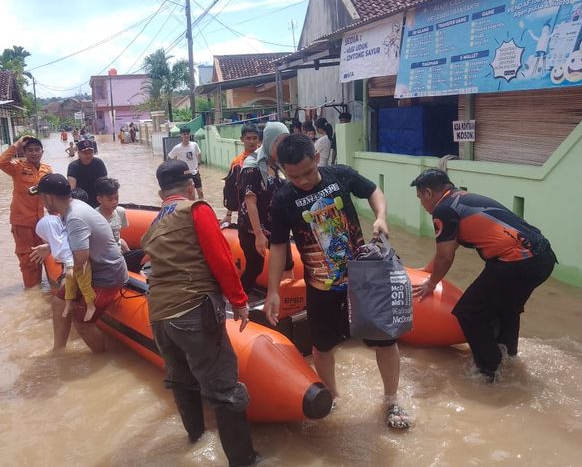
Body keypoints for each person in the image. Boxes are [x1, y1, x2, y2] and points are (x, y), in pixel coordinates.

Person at [264, 134, 410, 429]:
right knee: (323, 345)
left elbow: (373, 191)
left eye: (307, 172)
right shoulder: (282, 199)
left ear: (317, 158)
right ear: (283, 170)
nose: (303, 181)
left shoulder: (339, 175)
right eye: (294, 176)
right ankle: (332, 396)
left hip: (364, 280)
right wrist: (272, 291)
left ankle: (391, 401)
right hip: (321, 287)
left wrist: (381, 216)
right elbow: (279, 246)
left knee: (385, 340)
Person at [141, 160, 258, 466]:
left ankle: (196, 440)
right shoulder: (196, 210)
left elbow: (149, 267)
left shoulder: (156, 223)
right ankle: (245, 460)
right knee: (224, 388)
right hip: (192, 310)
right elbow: (220, 258)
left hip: (160, 317)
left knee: (181, 381)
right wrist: (239, 301)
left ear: (160, 192)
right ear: (191, 185)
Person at [410, 169, 556, 381]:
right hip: (542, 258)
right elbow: (450, 247)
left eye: (420, 197)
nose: (422, 204)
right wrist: (427, 270)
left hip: (516, 260)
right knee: (508, 309)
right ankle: (509, 361)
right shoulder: (461, 200)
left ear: (428, 193)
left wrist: (431, 283)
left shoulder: (443, 210)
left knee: (468, 312)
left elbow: (445, 257)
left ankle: (488, 372)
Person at [30, 174, 128, 353]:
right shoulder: (73, 206)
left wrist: (66, 273)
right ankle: (58, 350)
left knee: (82, 322)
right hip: (92, 268)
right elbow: (75, 244)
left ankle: (101, 357)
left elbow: (80, 259)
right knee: (58, 303)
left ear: (49, 198)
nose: (40, 201)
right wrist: (50, 247)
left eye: (41, 197)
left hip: (106, 274)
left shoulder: (75, 216)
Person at [237, 122, 294, 294]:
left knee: (288, 264)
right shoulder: (252, 166)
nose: (284, 147)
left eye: (287, 142)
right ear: (270, 141)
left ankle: (287, 302)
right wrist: (259, 235)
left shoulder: (278, 164)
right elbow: (250, 202)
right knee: (255, 267)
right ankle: (239, 298)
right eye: (280, 143)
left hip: (276, 226)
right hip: (253, 230)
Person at [0, 135, 51, 288]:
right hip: (22, 222)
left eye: (37, 150)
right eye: (30, 150)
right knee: (27, 259)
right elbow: (1, 162)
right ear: (25, 152)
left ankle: (41, 290)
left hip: (41, 223)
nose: (34, 153)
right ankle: (31, 290)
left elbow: (52, 195)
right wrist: (17, 144)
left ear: (42, 151)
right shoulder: (18, 167)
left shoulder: (47, 169)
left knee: (42, 255)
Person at [35, 214, 97, 322]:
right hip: (72, 265)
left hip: (82, 263)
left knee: (84, 285)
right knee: (69, 286)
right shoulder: (58, 239)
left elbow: (67, 251)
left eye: (44, 236)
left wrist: (69, 268)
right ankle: (68, 304)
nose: (44, 239)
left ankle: (91, 306)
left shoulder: (62, 240)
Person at [94, 176, 145, 273]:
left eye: (116, 198)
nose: (114, 202)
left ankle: (138, 272)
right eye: (110, 199)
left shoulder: (121, 212)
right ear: (100, 199)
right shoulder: (94, 216)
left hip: (118, 253)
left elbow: (118, 237)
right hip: (104, 258)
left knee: (144, 252)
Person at [221, 124, 261, 226]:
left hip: (265, 208)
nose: (252, 142)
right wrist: (229, 215)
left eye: (254, 138)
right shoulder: (237, 163)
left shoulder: (265, 158)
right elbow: (231, 188)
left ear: (259, 138)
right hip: (244, 212)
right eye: (248, 138)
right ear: (242, 139)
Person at [67, 138, 107, 208]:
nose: (88, 155)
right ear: (78, 153)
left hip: (98, 200)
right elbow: (72, 188)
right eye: (85, 153)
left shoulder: (99, 163)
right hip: (81, 202)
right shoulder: (73, 166)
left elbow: (105, 184)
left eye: (90, 152)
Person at [167, 127, 204, 199]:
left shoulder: (194, 145)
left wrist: (199, 165)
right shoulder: (177, 148)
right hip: (184, 174)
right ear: (181, 135)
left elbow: (199, 153)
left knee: (200, 191)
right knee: (189, 193)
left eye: (187, 134)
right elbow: (170, 158)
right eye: (184, 134)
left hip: (195, 172)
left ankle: (201, 206)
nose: (186, 136)